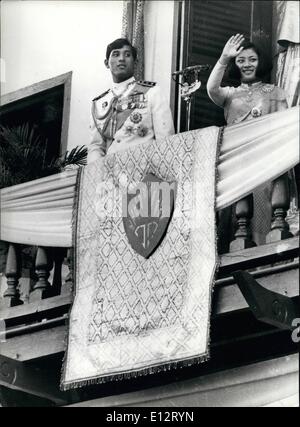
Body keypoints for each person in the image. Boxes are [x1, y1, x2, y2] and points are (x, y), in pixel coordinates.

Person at [207, 34, 288, 249]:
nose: (247, 65)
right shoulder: (230, 95)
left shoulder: (276, 92)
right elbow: (211, 89)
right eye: (241, 60)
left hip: (266, 165)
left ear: (260, 61)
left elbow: (283, 132)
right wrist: (224, 58)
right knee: (236, 223)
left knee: (265, 218)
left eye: (252, 59)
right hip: (238, 166)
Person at [88, 38, 175, 163]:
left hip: (145, 174)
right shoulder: (98, 104)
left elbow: (165, 140)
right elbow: (96, 148)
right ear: (107, 63)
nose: (122, 59)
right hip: (110, 177)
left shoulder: (152, 92)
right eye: (116, 54)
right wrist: (97, 178)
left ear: (135, 62)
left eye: (127, 55)